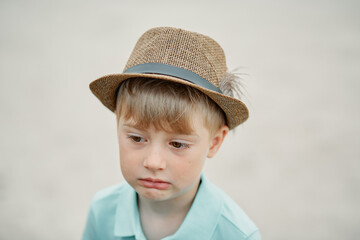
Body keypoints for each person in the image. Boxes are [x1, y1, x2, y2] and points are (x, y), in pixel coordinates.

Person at [82, 26, 261, 240]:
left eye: (177, 144)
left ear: (214, 142)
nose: (153, 162)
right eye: (137, 138)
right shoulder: (102, 213)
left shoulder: (236, 235)